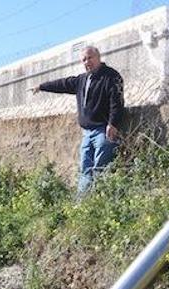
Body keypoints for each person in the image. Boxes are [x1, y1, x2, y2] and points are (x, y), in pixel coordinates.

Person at [29, 45, 125, 194]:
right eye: (84, 59)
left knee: (101, 167)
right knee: (85, 169)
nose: (87, 62)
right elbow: (62, 84)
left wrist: (113, 123)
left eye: (90, 58)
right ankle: (82, 203)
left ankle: (99, 199)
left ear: (98, 57)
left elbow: (117, 102)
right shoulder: (82, 80)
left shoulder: (111, 76)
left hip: (103, 131)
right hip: (87, 133)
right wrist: (41, 87)